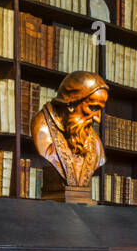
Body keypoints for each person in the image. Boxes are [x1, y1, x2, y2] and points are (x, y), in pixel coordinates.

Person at [31, 71, 109, 200]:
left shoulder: (95, 142)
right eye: (93, 108)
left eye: (100, 110)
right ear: (71, 104)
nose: (98, 119)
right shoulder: (42, 128)